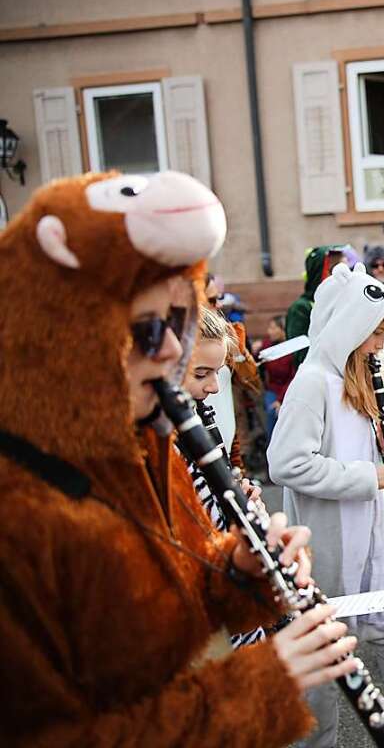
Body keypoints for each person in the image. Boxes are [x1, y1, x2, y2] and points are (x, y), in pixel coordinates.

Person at [0, 171, 354, 745]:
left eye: (176, 322)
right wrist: (261, 684)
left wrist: (239, 574)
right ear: (66, 335)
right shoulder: (17, 512)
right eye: (143, 330)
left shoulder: (147, 442)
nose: (170, 349)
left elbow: (172, 604)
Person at [268, 262, 384, 746]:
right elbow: (286, 464)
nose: (380, 345)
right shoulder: (313, 381)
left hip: (371, 538)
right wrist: (370, 475)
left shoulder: (358, 376)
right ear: (351, 329)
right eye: (375, 335)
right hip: (330, 547)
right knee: (324, 663)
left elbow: (356, 449)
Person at [181, 305, 270, 647]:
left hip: (234, 601)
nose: (215, 388)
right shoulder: (165, 445)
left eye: (217, 373)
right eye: (201, 374)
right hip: (207, 613)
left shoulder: (193, 427)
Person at [286, 243, 359, 366]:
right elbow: (301, 357)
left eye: (345, 270)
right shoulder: (301, 308)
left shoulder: (347, 302)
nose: (342, 275)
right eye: (333, 270)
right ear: (317, 273)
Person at [261, 315, 296, 442]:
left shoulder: (293, 348)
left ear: (282, 330)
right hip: (272, 390)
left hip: (289, 390)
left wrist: (281, 400)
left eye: (273, 328)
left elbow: (293, 377)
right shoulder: (267, 346)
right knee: (271, 412)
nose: (269, 331)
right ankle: (271, 447)